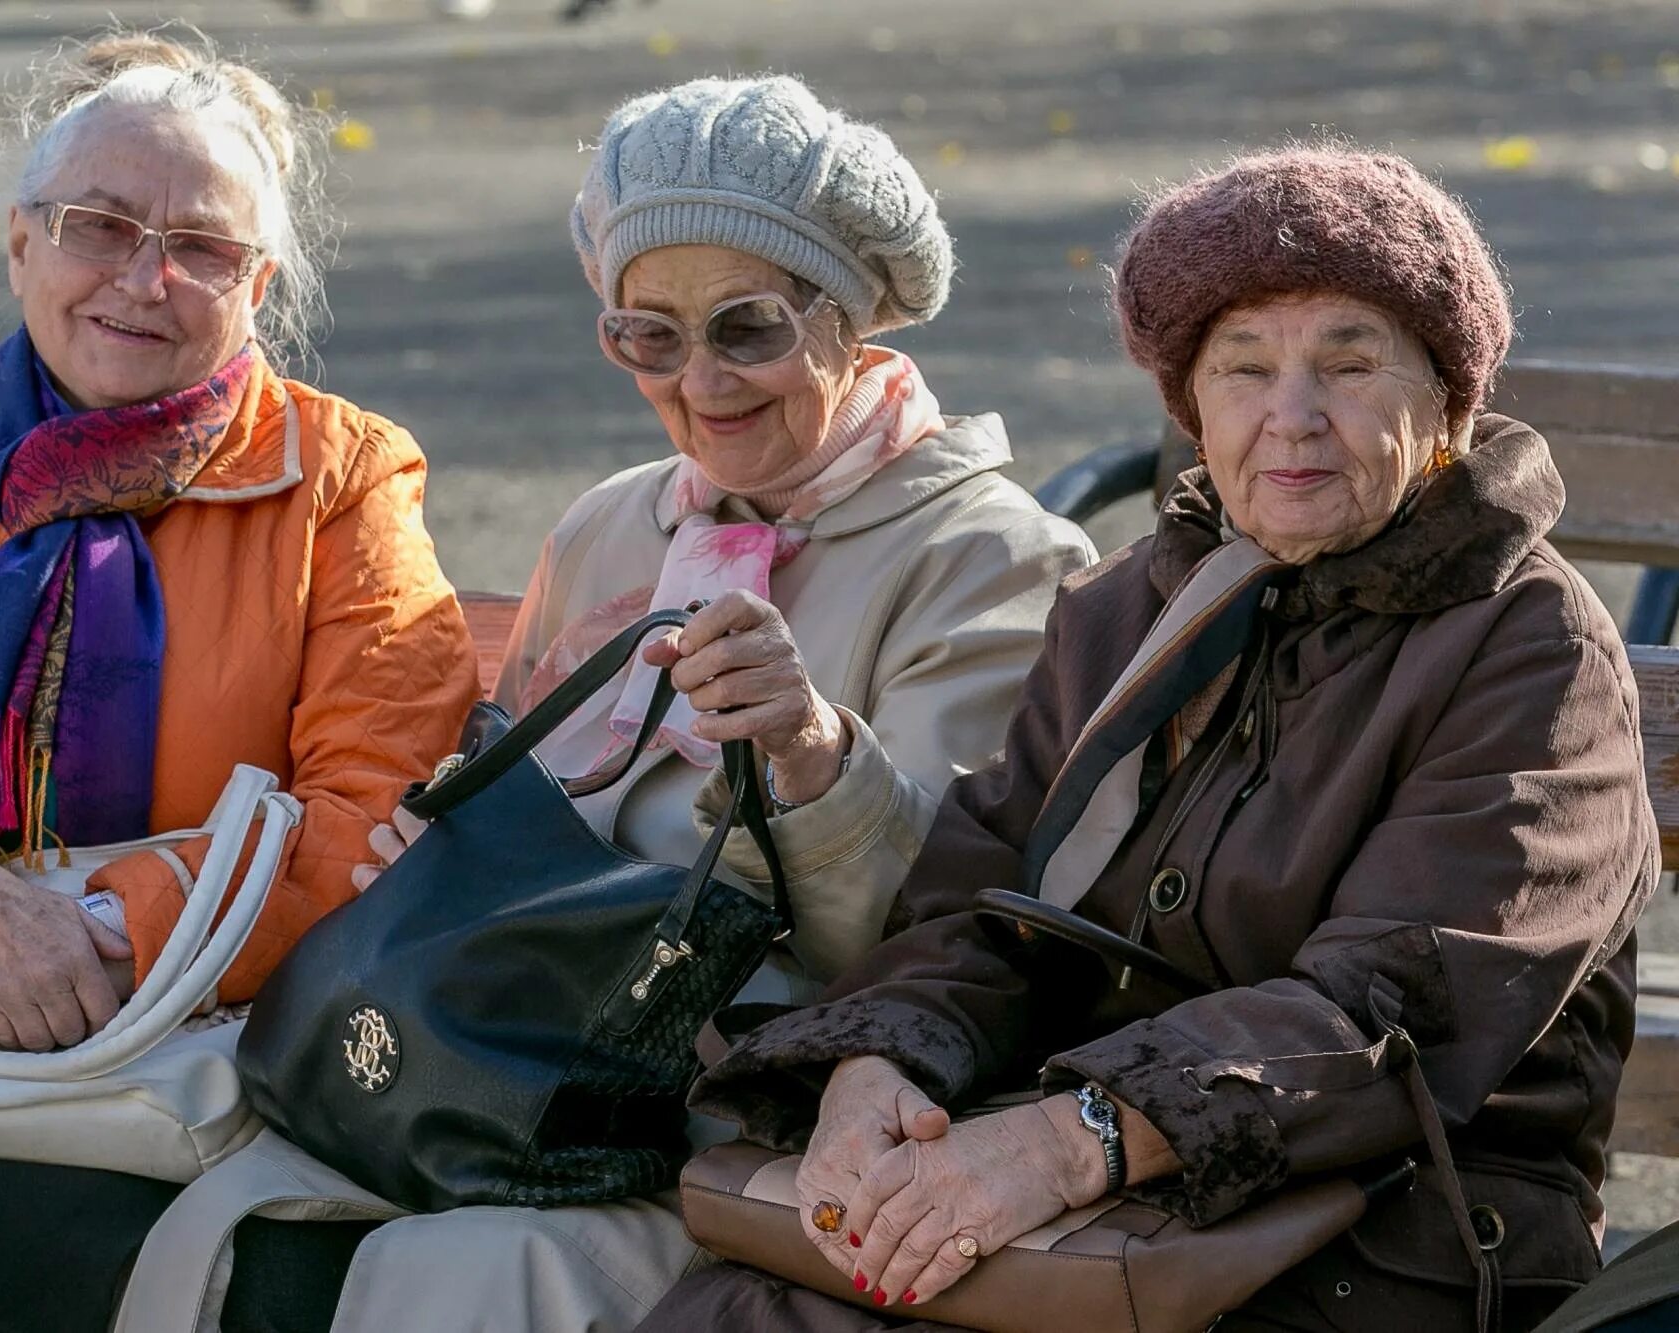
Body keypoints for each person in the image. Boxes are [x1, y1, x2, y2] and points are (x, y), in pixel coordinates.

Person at [639, 144, 1661, 1331]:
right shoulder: (1130, 606)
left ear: (1444, 399)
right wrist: (879, 1069)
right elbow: (979, 901)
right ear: (1190, 405)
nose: (1292, 418)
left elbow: (1389, 1005)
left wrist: (1067, 1141)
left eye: (1348, 362)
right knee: (740, 1309)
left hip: (1386, 1230)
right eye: (1242, 368)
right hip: (1117, 1213)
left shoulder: (1531, 648)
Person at [145, 74, 1095, 1332]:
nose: (697, 381)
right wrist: (442, 859)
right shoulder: (613, 523)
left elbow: (948, 948)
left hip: (731, 1125)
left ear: (850, 323)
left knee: (462, 1273)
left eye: (744, 328)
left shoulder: (992, 561)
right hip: (495, 1066)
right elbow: (516, 808)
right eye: (646, 335)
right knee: (211, 1204)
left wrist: (811, 752)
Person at [0, 31, 477, 1333]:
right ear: (21, 243)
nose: (145, 280)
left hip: (216, 1079)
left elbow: (368, 819)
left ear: (259, 283)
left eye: (203, 249)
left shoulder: (342, 479)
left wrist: (68, 943)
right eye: (100, 226)